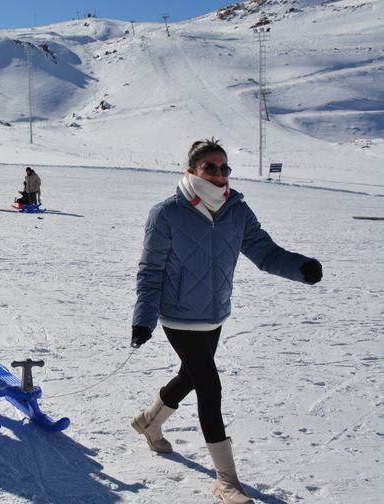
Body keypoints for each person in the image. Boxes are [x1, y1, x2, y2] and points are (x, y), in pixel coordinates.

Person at [130, 138, 323, 504]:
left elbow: (265, 252)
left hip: (214, 312)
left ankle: (149, 422)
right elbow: (151, 269)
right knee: (209, 385)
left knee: (190, 376)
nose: (220, 175)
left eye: (225, 168)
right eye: (211, 168)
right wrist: (144, 320)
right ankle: (226, 480)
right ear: (192, 170)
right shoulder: (167, 213)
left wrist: (301, 268)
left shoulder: (237, 210)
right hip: (179, 316)